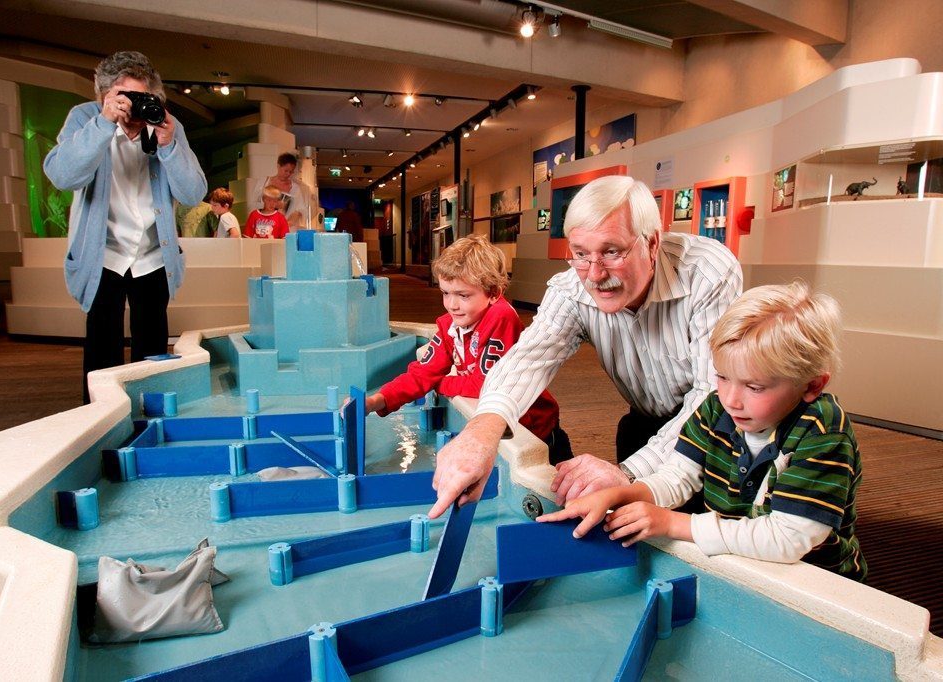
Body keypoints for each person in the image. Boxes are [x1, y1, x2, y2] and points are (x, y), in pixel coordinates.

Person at [429, 176, 742, 519]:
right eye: (580, 254)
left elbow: (713, 394)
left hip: (726, 431)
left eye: (612, 252)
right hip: (643, 423)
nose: (593, 274)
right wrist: (482, 433)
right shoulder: (570, 288)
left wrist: (628, 474)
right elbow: (528, 359)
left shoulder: (707, 272)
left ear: (651, 244)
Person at [537, 282, 866, 581]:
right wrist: (617, 494)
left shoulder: (823, 431)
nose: (731, 400)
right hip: (739, 565)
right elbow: (677, 476)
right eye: (722, 377)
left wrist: (674, 523)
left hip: (816, 583)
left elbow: (787, 540)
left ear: (811, 385)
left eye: (754, 386)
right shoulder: (715, 407)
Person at [44, 50, 205, 403]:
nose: (134, 108)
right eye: (125, 97)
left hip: (153, 257)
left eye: (142, 97)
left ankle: (150, 424)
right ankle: (100, 423)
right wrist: (102, 124)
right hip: (103, 256)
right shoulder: (84, 118)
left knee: (152, 355)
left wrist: (170, 144)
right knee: (102, 353)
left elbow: (193, 193)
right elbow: (62, 175)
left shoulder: (163, 125)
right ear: (105, 96)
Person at [366, 234, 572, 465]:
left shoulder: (501, 317)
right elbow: (421, 373)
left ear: (493, 292)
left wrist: (437, 383)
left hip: (537, 431)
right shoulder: (449, 325)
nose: (452, 305)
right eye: (446, 293)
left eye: (463, 295)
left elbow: (485, 385)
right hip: (501, 431)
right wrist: (377, 400)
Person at [250, 152, 313, 231]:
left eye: (291, 172)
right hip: (264, 226)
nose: (288, 174)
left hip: (286, 227)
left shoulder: (295, 188)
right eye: (286, 171)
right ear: (278, 166)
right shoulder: (264, 182)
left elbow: (301, 210)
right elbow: (254, 203)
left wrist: (291, 219)